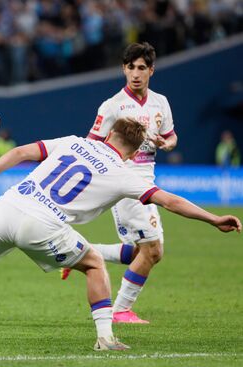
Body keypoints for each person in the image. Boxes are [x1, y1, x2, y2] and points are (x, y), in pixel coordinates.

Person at [0, 118, 241, 350]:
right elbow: (170, 201)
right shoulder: (124, 173)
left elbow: (20, 153)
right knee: (95, 263)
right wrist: (213, 219)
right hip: (44, 224)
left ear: (110, 134)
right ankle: (105, 338)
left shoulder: (73, 142)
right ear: (131, 151)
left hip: (10, 204)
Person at [67, 42, 179, 324]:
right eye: (131, 67)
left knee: (140, 253)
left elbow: (172, 135)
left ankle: (79, 252)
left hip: (147, 177)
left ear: (151, 70)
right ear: (123, 69)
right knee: (153, 250)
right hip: (125, 181)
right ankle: (120, 310)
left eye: (142, 68)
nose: (136, 73)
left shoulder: (160, 102)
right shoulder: (113, 106)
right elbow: (91, 144)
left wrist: (167, 143)